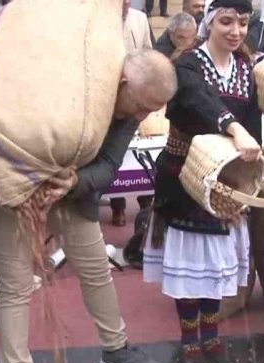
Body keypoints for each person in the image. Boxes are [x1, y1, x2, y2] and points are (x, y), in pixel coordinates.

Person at [0, 50, 174, 363]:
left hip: (70, 191)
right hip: (7, 183)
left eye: (151, 110)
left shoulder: (129, 110)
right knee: (16, 284)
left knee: (95, 268)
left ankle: (115, 348)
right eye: (142, 106)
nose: (142, 116)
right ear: (122, 83)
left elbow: (108, 165)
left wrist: (75, 182)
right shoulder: (63, 78)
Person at [143, 0, 261, 363]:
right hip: (186, 179)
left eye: (242, 23)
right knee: (192, 264)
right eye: (226, 21)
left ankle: (211, 335)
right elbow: (197, 99)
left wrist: (252, 165)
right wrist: (233, 127)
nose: (235, 31)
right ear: (209, 22)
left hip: (226, 180)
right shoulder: (188, 63)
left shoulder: (245, 68)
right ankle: (189, 340)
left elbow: (253, 119)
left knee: (215, 267)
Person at [112, 0, 156, 228]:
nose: (125, 2)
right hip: (106, 102)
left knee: (138, 152)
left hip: (135, 98)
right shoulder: (94, 18)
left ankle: (144, 203)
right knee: (114, 156)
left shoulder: (140, 19)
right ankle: (117, 206)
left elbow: (148, 53)